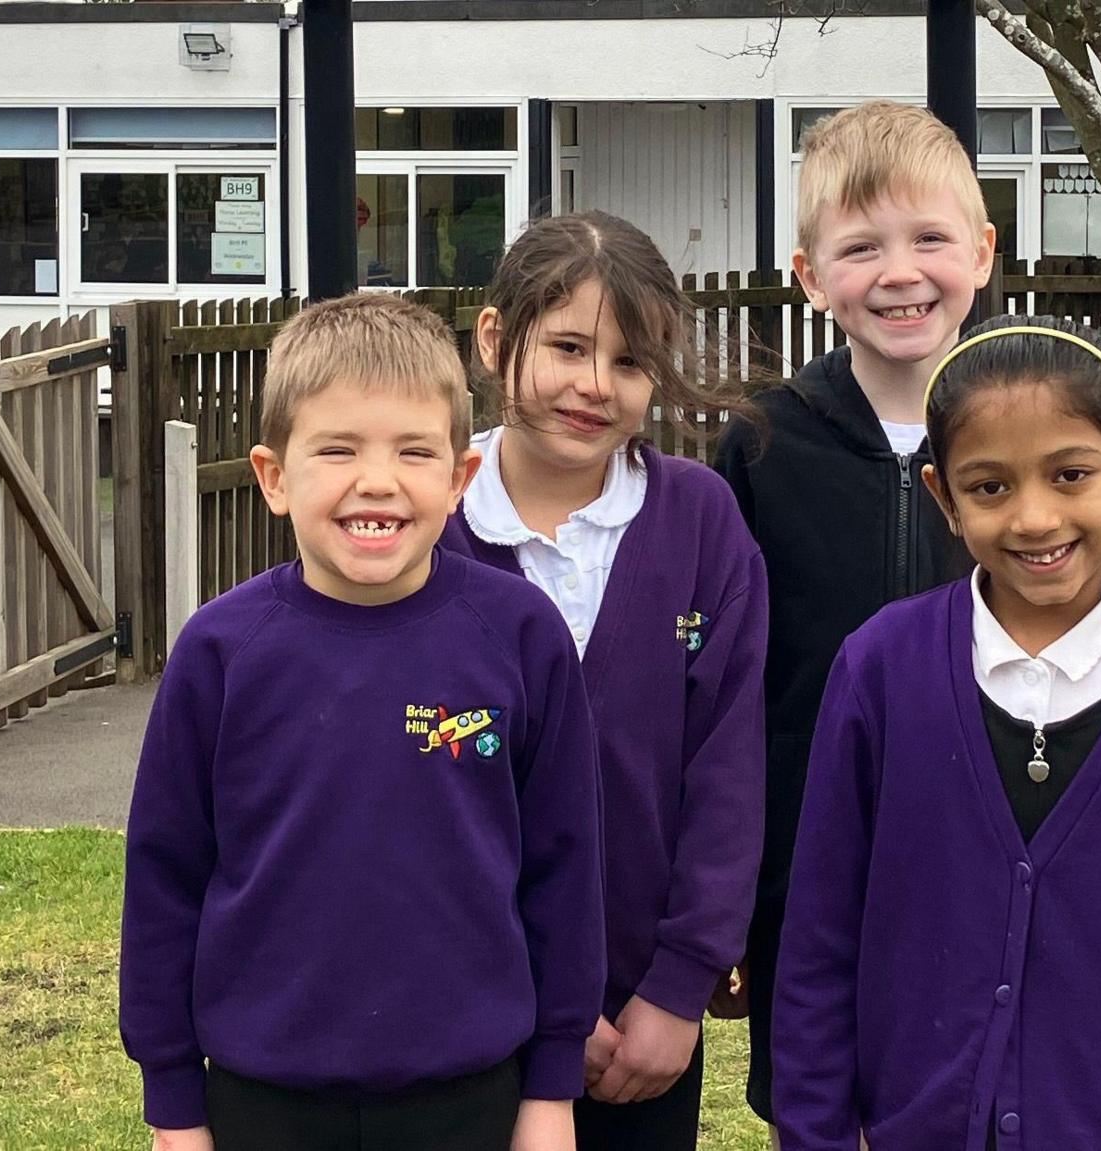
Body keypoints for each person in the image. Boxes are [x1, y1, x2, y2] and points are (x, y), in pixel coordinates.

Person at [772, 317, 1101, 1151]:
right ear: (943, 498)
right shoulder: (880, 670)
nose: (1033, 517)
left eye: (1069, 474)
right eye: (989, 486)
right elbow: (817, 938)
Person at [120, 293, 605, 1151]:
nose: (375, 480)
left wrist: (551, 1091)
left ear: (459, 480)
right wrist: (174, 1106)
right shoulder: (220, 654)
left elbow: (564, 874)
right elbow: (166, 881)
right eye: (337, 449)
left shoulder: (521, 638)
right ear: (274, 476)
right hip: (261, 1101)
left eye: (414, 452)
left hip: (470, 1098)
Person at [442, 210, 769, 1151]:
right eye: (569, 346)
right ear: (498, 340)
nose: (595, 386)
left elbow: (729, 767)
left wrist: (680, 982)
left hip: (643, 1024)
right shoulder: (434, 527)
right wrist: (538, 998)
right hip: (470, 1014)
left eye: (628, 363)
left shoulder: (700, 521)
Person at [710, 99, 994, 1131]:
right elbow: (723, 693)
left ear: (981, 249)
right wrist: (725, 906)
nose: (899, 271)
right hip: (807, 876)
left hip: (993, 867)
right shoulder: (761, 448)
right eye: (860, 246)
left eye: (928, 238)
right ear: (807, 273)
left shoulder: (1035, 423)